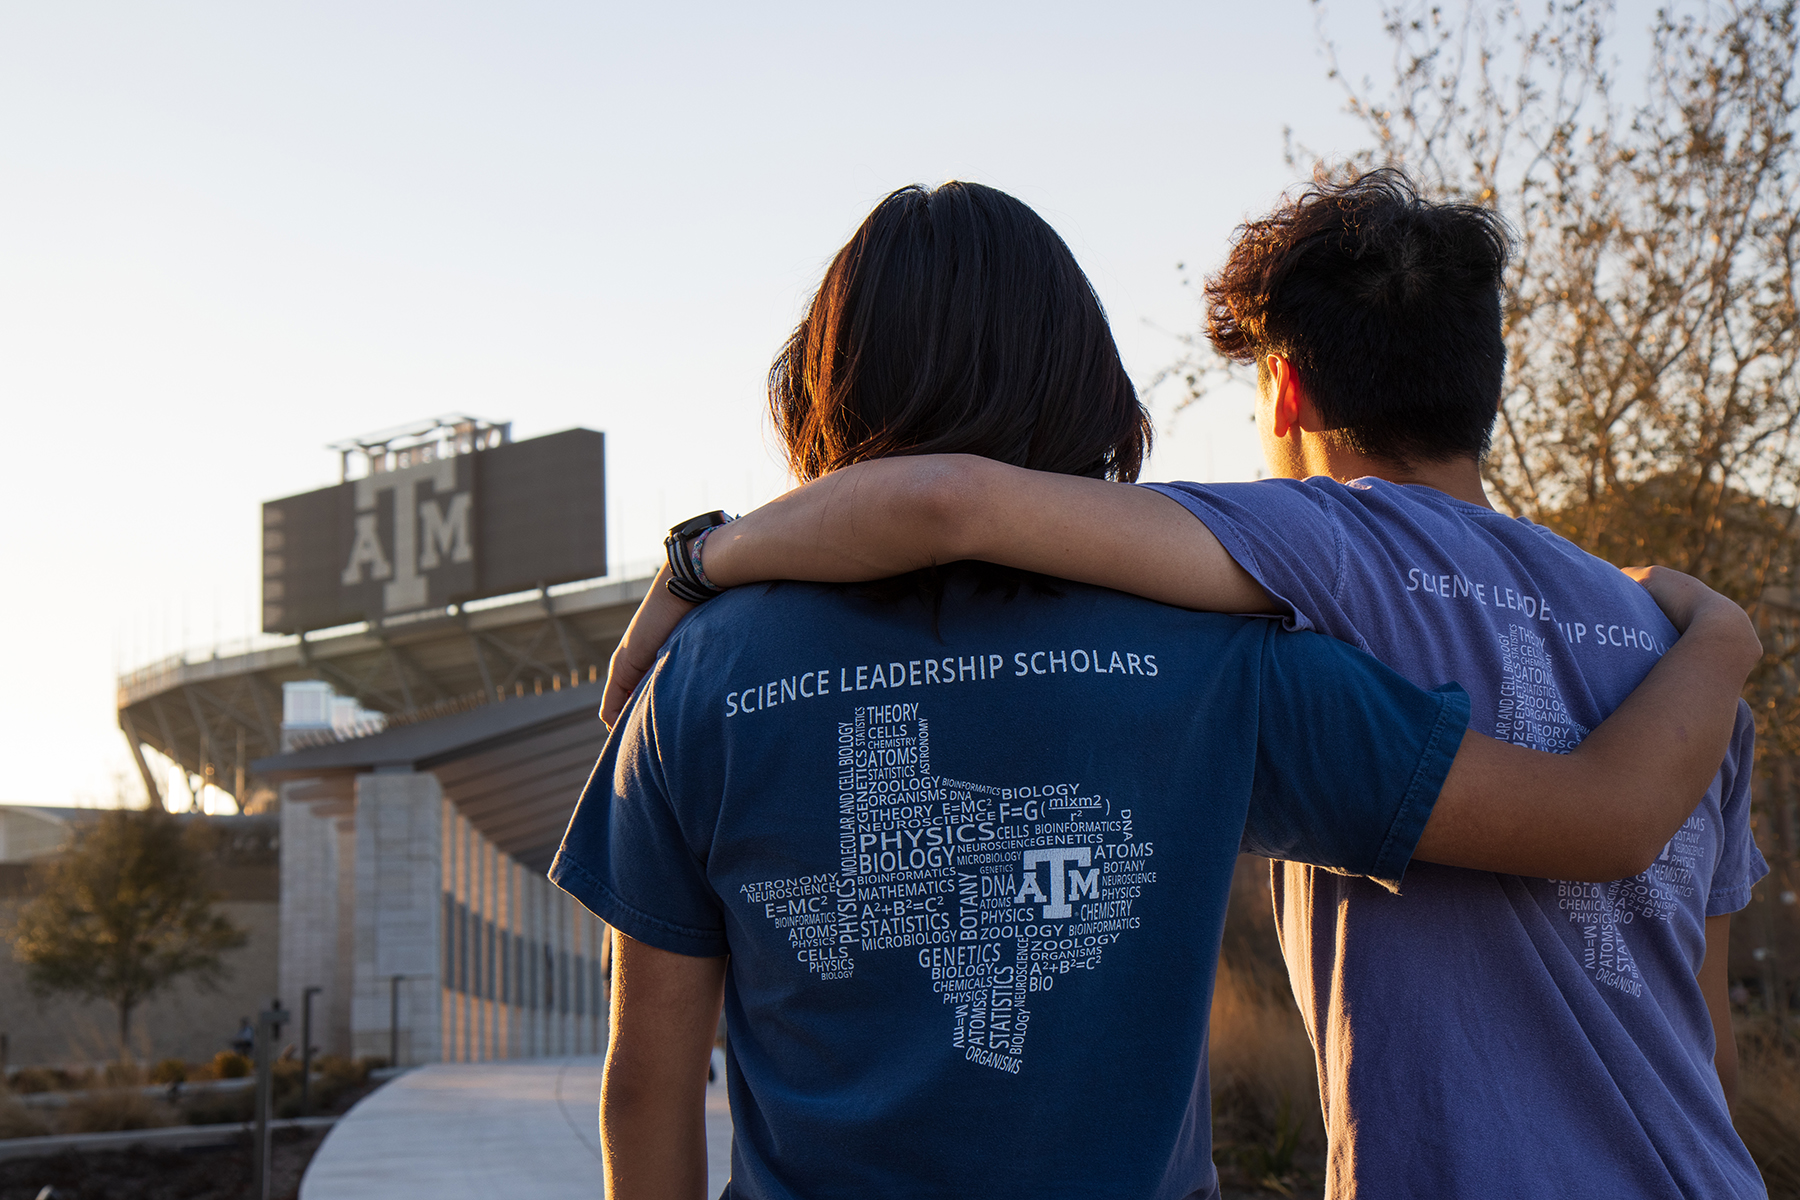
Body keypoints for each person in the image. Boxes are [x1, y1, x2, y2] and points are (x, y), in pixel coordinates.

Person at [565, 180, 1759, 1200]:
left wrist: (698, 567)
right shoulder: (1227, 655)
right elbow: (1615, 861)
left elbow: (650, 1078)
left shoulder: (700, 679)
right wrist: (1717, 634)